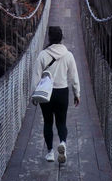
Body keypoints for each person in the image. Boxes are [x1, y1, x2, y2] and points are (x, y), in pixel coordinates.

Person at [34, 25, 80, 164]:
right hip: (62, 92)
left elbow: (36, 77)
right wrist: (76, 93)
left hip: (46, 93)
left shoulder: (42, 55)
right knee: (61, 121)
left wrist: (34, 95)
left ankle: (50, 153)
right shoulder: (68, 55)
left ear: (49, 38)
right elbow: (74, 77)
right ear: (61, 38)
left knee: (48, 122)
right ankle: (63, 143)